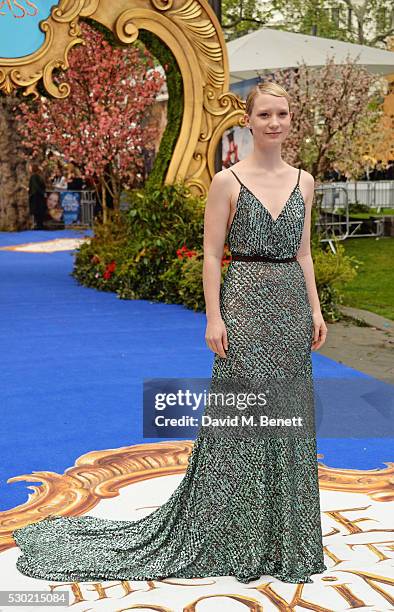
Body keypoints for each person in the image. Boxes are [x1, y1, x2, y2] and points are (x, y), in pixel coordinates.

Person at [12, 81, 327, 584]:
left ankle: (284, 539)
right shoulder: (227, 181)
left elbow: (304, 252)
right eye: (264, 113)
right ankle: (232, 535)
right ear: (248, 120)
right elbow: (210, 254)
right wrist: (213, 316)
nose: (273, 122)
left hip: (290, 307)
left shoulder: (305, 182)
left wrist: (315, 309)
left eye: (282, 114)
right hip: (244, 303)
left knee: (288, 417)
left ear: (292, 120)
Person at [28, 163, 47, 230]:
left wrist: (42, 193)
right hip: (39, 196)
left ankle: (39, 225)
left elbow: (36, 186)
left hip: (36, 196)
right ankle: (40, 224)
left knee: (37, 211)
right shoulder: (39, 176)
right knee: (39, 211)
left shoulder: (34, 176)